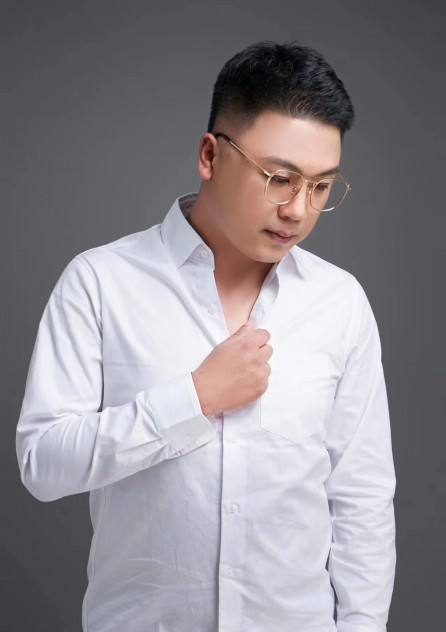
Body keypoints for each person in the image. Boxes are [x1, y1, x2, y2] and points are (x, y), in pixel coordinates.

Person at [16, 40, 396, 632]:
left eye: (321, 187)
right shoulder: (100, 282)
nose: (298, 211)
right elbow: (42, 463)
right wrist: (193, 400)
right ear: (210, 155)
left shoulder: (339, 303)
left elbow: (361, 497)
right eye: (280, 178)